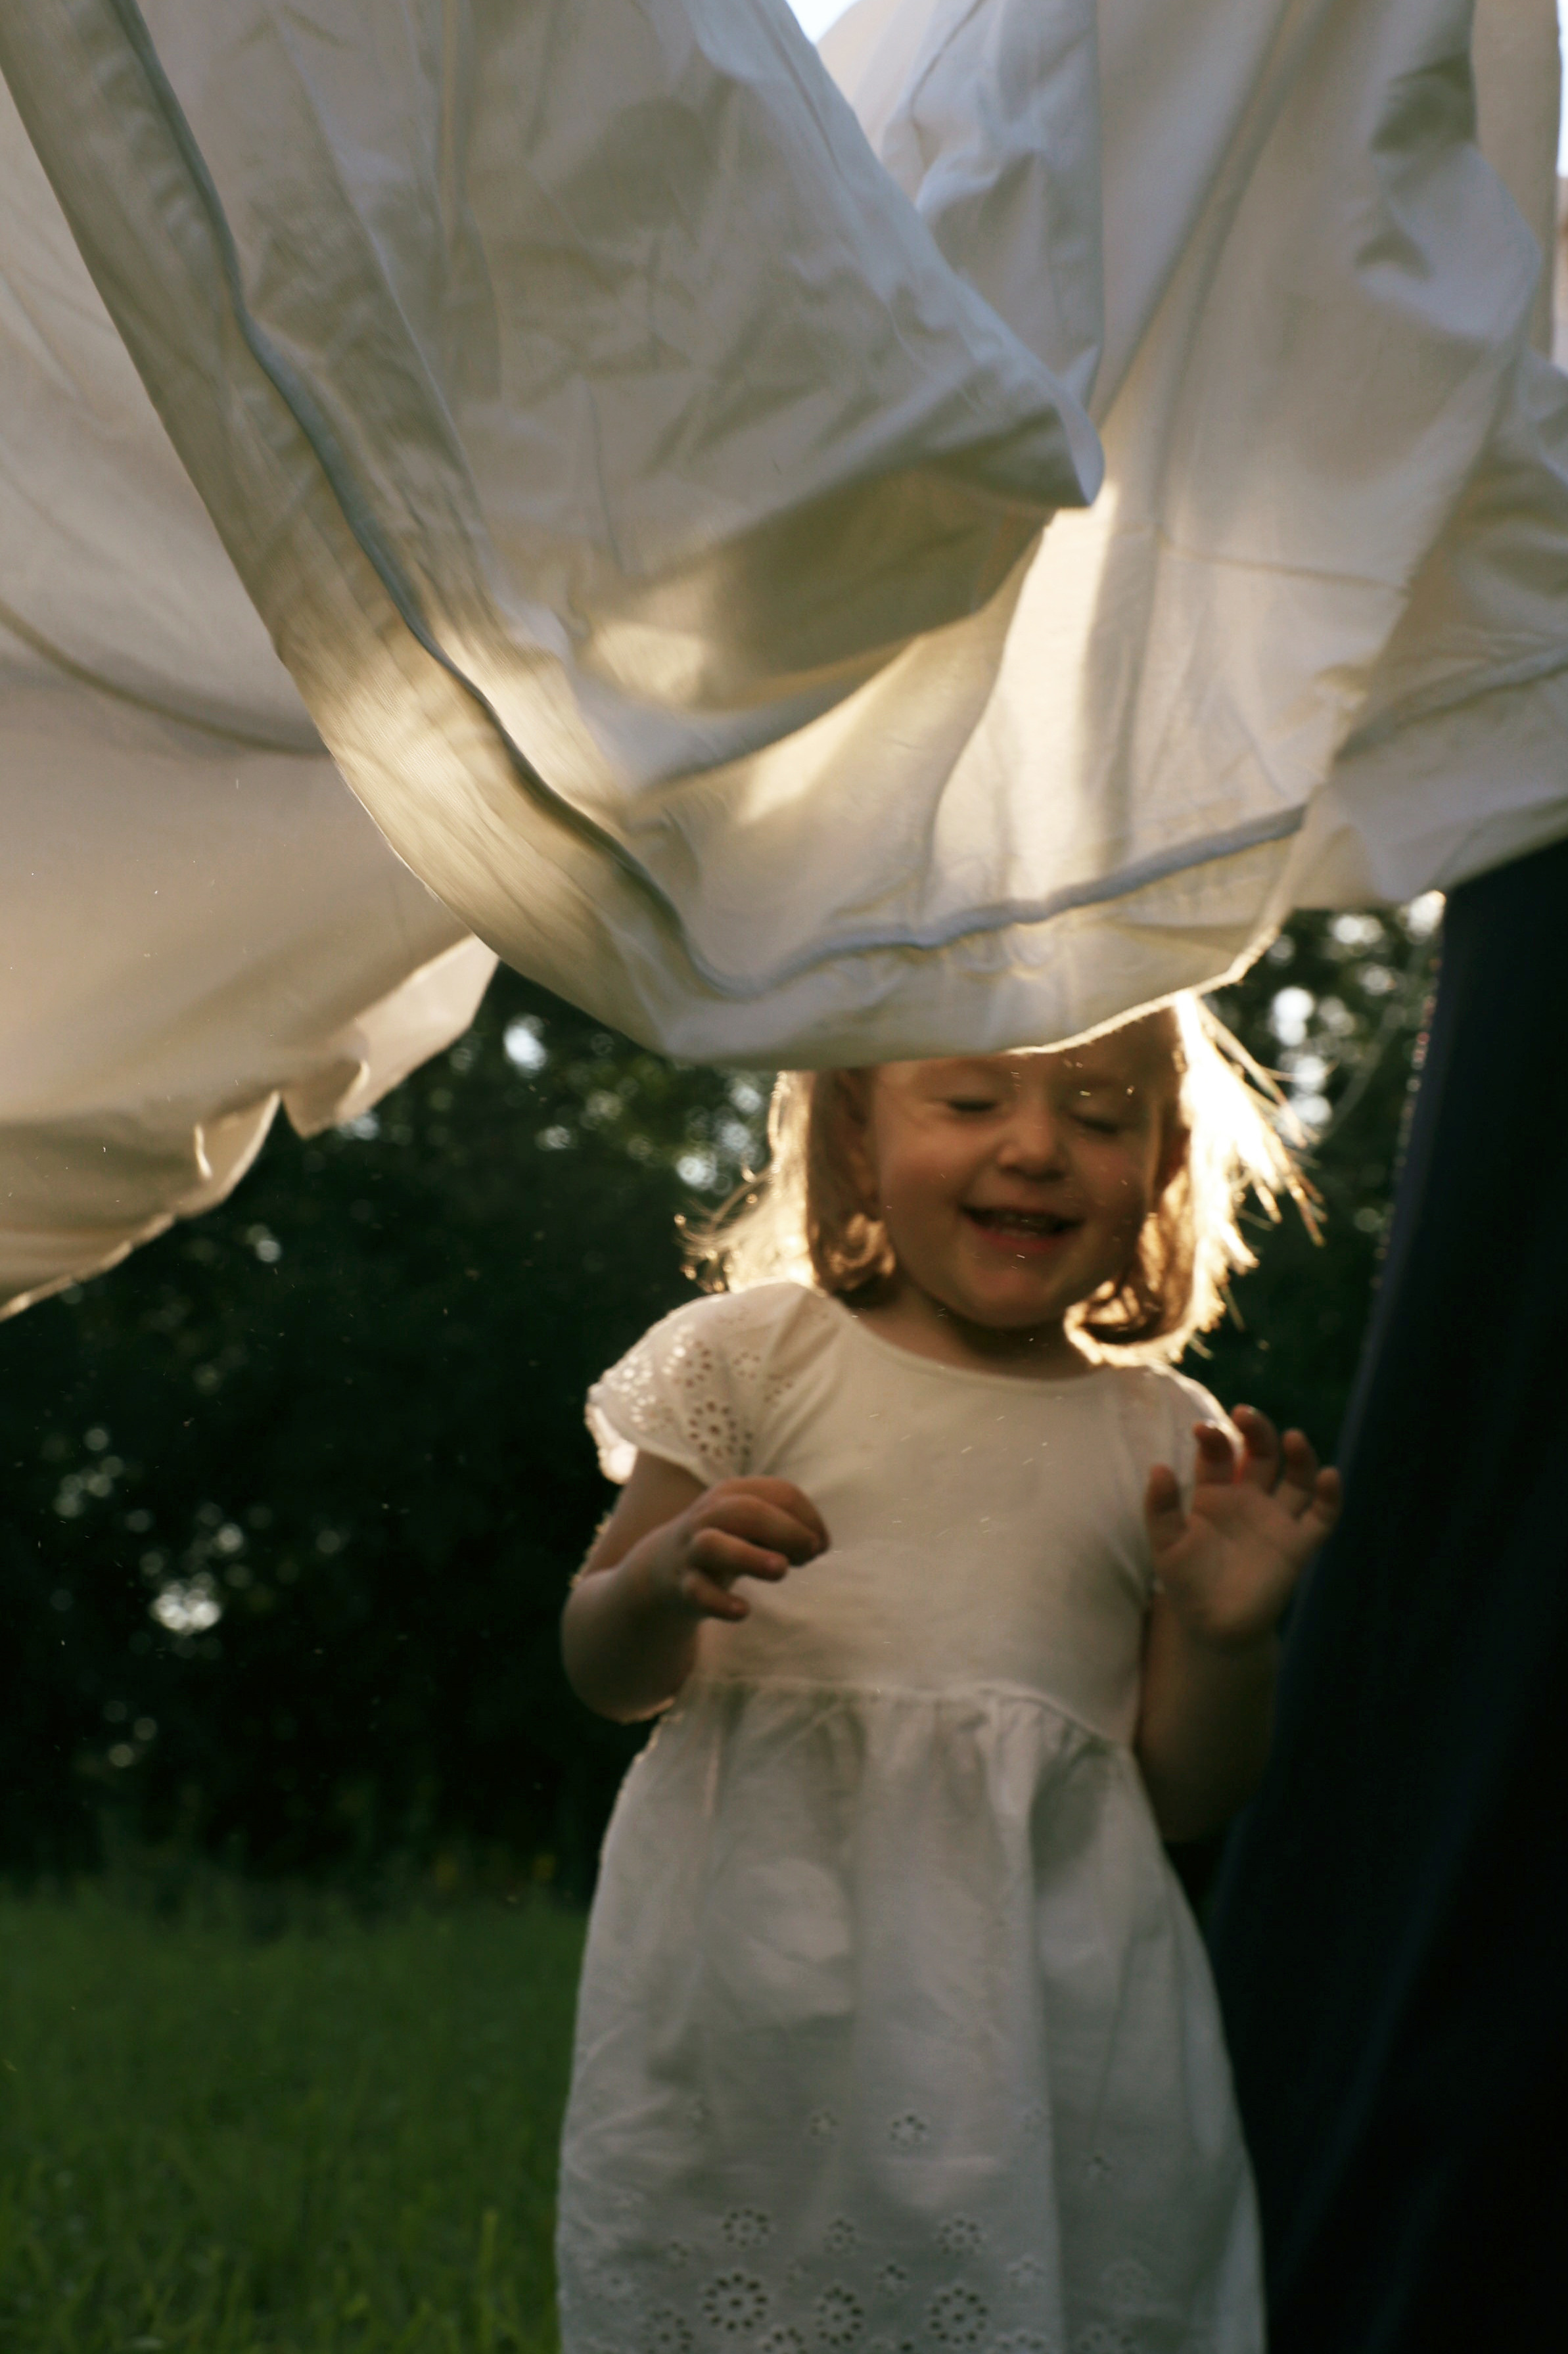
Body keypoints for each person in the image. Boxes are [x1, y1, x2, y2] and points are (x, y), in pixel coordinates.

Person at [557, 998, 1341, 2354]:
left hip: (1049, 2012)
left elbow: (1183, 1795)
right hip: (763, 1984)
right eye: (970, 1104)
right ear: (855, 1136)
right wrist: (661, 1573)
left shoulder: (1160, 1434)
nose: (1034, 1150)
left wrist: (1225, 1634)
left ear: (1157, 1164)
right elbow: (602, 1670)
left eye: (1097, 1116)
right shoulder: (751, 1358)